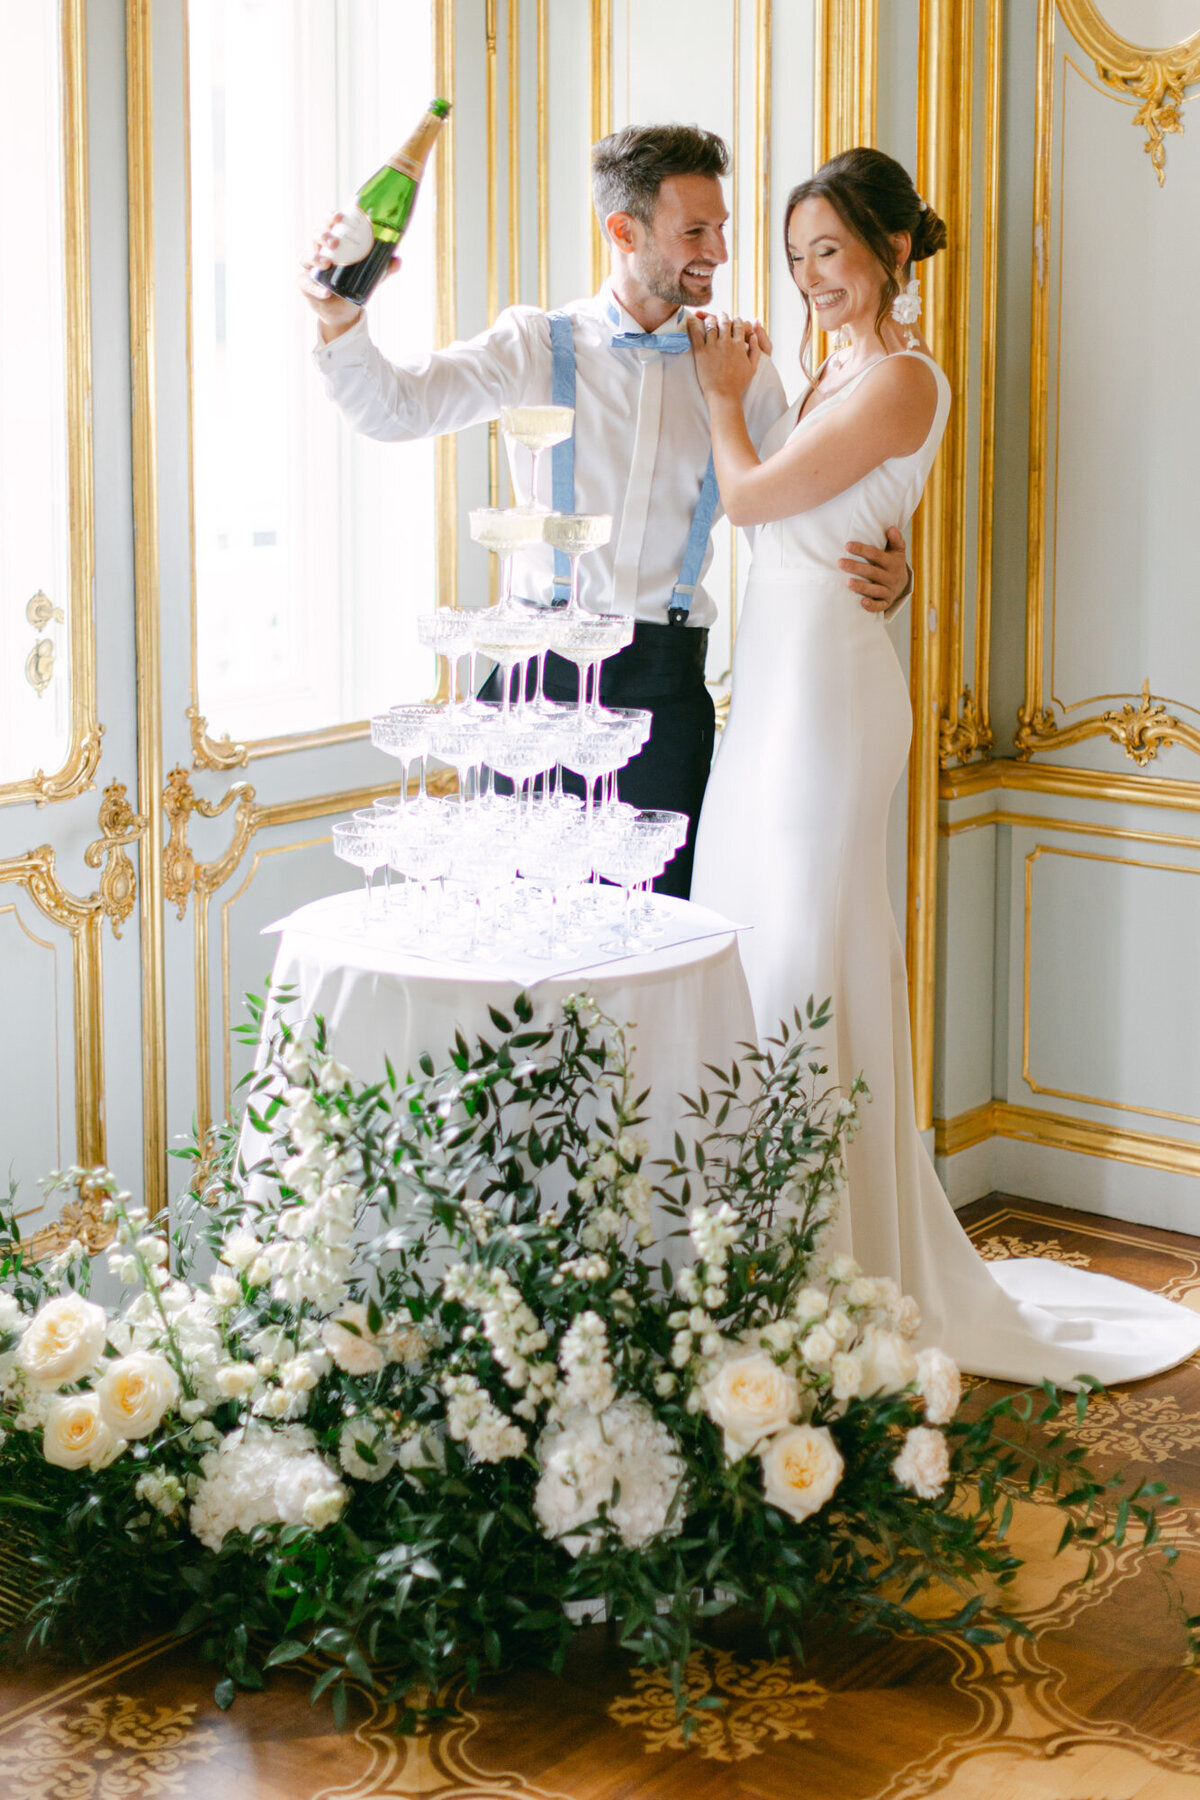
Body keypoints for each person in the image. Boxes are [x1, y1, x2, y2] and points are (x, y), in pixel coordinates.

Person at [688, 147, 1200, 1386]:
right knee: (758, 942)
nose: (812, 276)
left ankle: (836, 1259)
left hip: (830, 698)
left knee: (814, 948)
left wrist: (720, 396)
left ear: (894, 250)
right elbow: (843, 519)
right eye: (797, 255)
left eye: (831, 251)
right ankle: (768, 1249)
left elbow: (750, 504)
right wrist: (897, 558)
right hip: (776, 687)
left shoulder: (906, 376)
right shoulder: (832, 371)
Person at [301, 123, 912, 898]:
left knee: (657, 940)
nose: (720, 252)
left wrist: (893, 572)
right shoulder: (534, 343)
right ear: (624, 231)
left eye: (721, 227)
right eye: (695, 232)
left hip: (666, 698)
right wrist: (338, 321)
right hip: (533, 692)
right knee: (518, 932)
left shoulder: (740, 369)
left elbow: (798, 514)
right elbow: (394, 409)